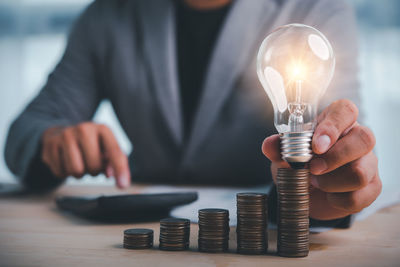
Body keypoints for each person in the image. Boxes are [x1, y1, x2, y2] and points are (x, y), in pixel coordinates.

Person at [4, 0, 381, 225]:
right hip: (140, 229)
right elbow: (28, 128)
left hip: (262, 227)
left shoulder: (315, 8)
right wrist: (50, 142)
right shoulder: (109, 14)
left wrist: (328, 178)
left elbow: (341, 135)